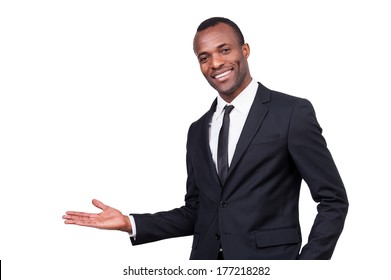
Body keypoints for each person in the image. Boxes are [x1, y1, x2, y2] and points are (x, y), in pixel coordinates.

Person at [62, 17, 349, 260]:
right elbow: (198, 210)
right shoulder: (198, 129)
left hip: (270, 265)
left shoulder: (291, 113)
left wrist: (307, 268)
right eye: (204, 57)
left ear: (245, 50)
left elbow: (333, 200)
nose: (216, 63)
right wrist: (130, 223)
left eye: (224, 50)